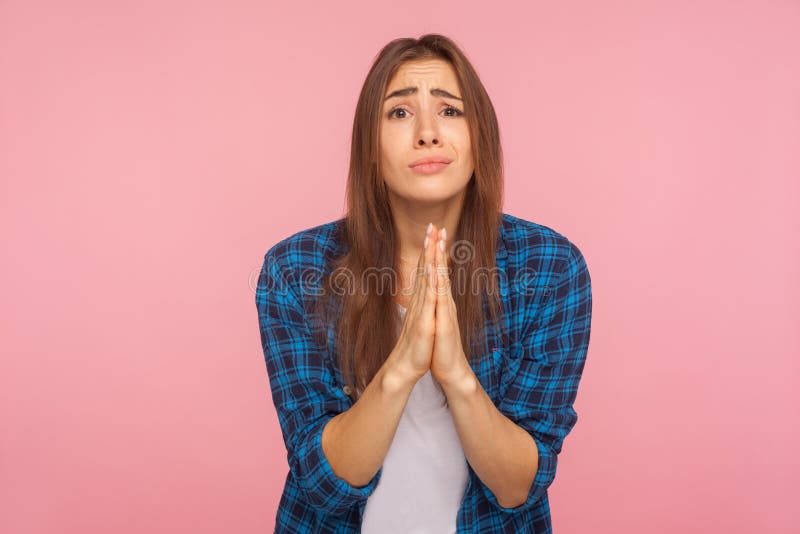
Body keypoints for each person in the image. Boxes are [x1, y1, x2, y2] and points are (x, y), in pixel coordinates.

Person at [255, 33, 592, 534]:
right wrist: (402, 369)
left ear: (482, 137)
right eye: (399, 113)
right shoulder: (294, 270)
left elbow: (517, 486)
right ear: (368, 145)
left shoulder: (549, 268)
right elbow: (323, 484)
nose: (428, 134)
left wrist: (456, 374)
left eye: (451, 111)